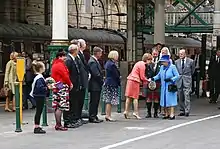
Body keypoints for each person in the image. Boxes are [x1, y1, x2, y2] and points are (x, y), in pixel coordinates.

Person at [123, 53, 152, 119]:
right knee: (135, 97)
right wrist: (148, 80)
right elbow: (142, 76)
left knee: (128, 97)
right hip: (135, 81)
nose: (150, 62)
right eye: (150, 60)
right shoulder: (143, 65)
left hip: (130, 79)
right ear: (147, 59)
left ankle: (126, 111)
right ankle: (136, 112)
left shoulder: (138, 63)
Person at [151, 55, 179, 120]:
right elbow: (159, 75)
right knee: (164, 100)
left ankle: (172, 114)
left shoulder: (172, 67)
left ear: (167, 61)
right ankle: (166, 113)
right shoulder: (161, 68)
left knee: (171, 100)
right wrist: (153, 78)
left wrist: (171, 79)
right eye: (162, 62)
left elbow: (177, 76)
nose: (162, 63)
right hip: (163, 86)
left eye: (163, 61)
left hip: (170, 86)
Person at [51, 49, 73, 131]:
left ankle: (58, 123)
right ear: (59, 57)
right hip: (61, 86)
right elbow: (65, 76)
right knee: (61, 105)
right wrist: (70, 83)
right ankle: (59, 124)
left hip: (56, 85)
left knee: (57, 105)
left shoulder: (54, 64)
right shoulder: (60, 65)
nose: (65, 58)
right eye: (64, 56)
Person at [64, 44, 82, 128]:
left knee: (74, 102)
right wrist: (70, 83)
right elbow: (67, 73)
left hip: (75, 85)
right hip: (71, 85)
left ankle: (73, 119)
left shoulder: (73, 59)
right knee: (70, 103)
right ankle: (68, 120)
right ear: (75, 51)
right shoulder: (68, 60)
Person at [175, 49, 195, 117]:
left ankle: (187, 110)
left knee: (187, 96)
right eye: (179, 54)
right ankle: (181, 110)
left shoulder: (191, 61)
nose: (180, 55)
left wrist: (188, 76)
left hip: (187, 80)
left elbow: (192, 70)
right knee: (180, 96)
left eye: (182, 54)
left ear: (185, 54)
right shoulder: (176, 62)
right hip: (179, 80)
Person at [102, 50, 121, 122]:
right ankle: (108, 115)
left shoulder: (108, 63)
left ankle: (108, 115)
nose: (118, 57)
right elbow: (116, 75)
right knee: (110, 100)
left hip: (108, 82)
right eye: (117, 55)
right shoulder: (112, 65)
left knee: (108, 99)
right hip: (112, 83)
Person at [30, 61, 47, 134]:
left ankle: (37, 126)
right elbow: (39, 87)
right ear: (40, 68)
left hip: (38, 95)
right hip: (39, 96)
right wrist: (47, 88)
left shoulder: (37, 77)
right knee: (39, 111)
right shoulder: (39, 78)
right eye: (43, 67)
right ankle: (36, 127)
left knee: (39, 111)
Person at [88, 46, 104, 123]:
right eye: (100, 53)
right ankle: (92, 116)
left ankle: (94, 115)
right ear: (97, 53)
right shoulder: (92, 62)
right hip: (94, 85)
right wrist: (101, 81)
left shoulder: (95, 61)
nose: (101, 54)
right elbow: (96, 74)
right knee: (94, 101)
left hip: (96, 85)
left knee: (96, 101)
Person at [76, 39, 90, 124]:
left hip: (82, 80)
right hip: (79, 81)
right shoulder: (78, 56)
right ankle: (77, 117)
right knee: (78, 100)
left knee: (80, 100)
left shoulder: (81, 55)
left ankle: (79, 116)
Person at [145, 54, 160, 118]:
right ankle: (149, 113)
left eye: (156, 54)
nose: (155, 55)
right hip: (149, 81)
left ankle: (156, 113)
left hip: (157, 81)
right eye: (154, 54)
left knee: (156, 98)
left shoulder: (160, 62)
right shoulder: (147, 63)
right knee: (148, 98)